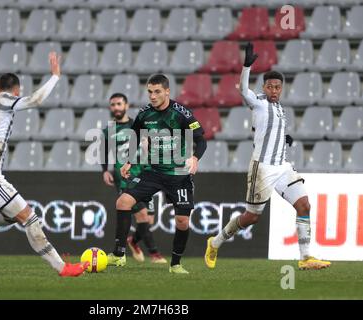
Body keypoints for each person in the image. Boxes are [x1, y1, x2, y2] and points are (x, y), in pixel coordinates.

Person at [0, 52, 89, 277]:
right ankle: (62, 268)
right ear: (15, 91)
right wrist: (55, 76)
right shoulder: (5, 100)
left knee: (8, 215)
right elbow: (36, 100)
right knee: (29, 217)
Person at [204, 43, 331, 271]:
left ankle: (306, 257)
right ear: (264, 87)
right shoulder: (259, 103)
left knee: (304, 204)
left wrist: (285, 139)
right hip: (262, 167)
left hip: (282, 166)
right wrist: (246, 67)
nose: (274, 90)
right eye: (270, 86)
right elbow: (243, 90)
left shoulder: (281, 109)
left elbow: (268, 131)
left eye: (277, 87)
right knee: (251, 217)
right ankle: (215, 242)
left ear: (281, 89)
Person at [107, 74, 207, 274]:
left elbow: (201, 140)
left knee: (182, 221)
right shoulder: (144, 114)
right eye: (150, 92)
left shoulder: (182, 114)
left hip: (178, 173)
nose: (152, 96)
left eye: (157, 92)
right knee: (123, 202)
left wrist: (195, 158)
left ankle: (176, 264)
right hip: (152, 171)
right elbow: (135, 137)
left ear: (167, 91)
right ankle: (118, 255)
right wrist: (129, 162)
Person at [101, 93, 167, 264]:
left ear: (126, 105)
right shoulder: (108, 131)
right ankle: (154, 254)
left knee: (149, 219)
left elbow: (149, 144)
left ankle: (133, 241)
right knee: (142, 216)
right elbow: (103, 152)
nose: (115, 107)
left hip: (143, 173)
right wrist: (104, 170)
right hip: (124, 177)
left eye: (118, 104)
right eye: (113, 104)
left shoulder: (136, 125)